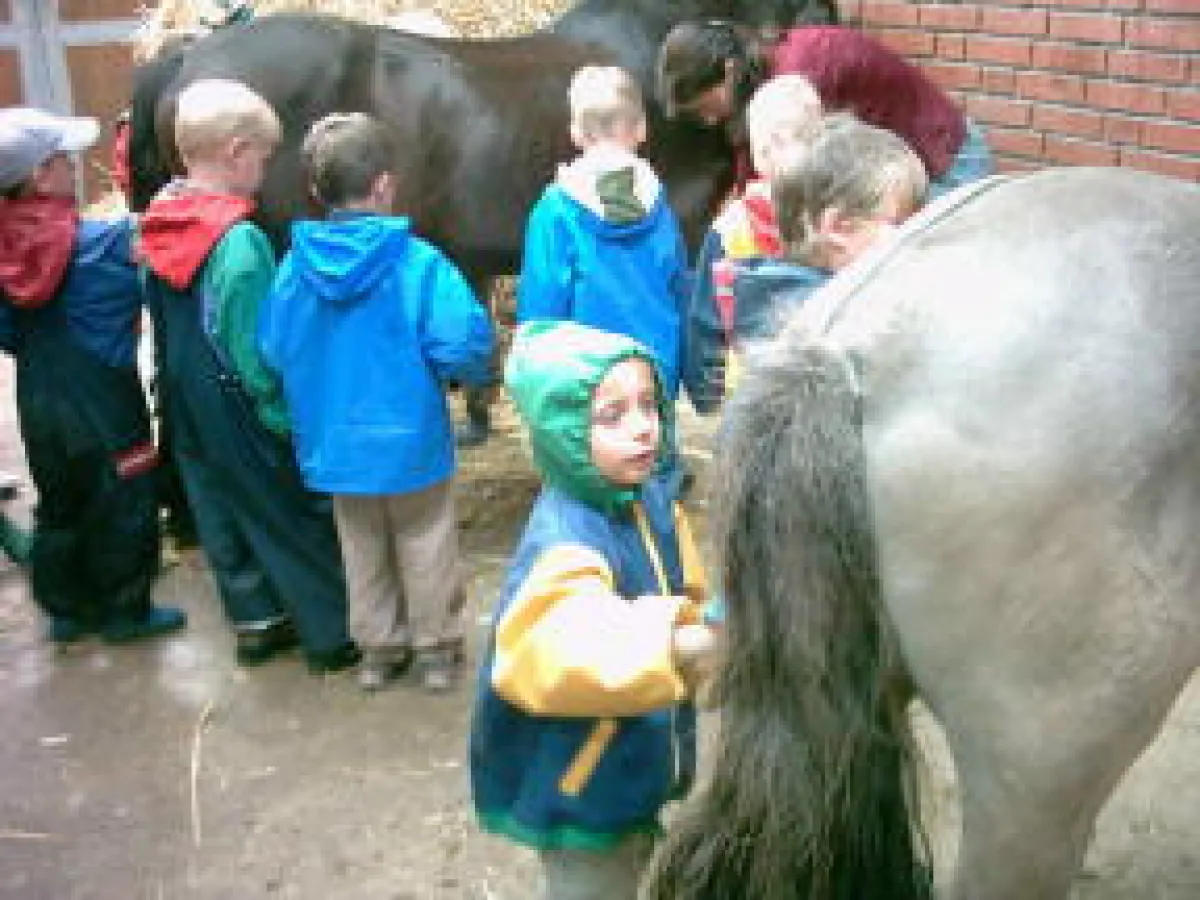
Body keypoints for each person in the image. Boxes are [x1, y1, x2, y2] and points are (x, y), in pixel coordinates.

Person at [470, 320, 716, 900]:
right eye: (612, 416)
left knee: (633, 860)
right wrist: (689, 644)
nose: (642, 427)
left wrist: (706, 622)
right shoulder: (564, 539)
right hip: (580, 784)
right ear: (563, 432)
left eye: (649, 405)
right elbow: (564, 646)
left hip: (629, 757)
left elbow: (684, 584)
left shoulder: (648, 500)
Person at [259, 113, 494, 692]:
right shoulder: (418, 263)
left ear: (316, 191)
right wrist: (469, 375)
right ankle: (435, 649)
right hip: (410, 437)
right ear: (385, 186)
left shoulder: (293, 270)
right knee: (425, 535)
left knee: (360, 541)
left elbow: (272, 348)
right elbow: (462, 342)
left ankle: (378, 650)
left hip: (335, 442)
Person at [139, 79, 356, 671]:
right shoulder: (239, 241)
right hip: (235, 395)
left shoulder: (162, 214)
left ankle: (257, 623)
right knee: (285, 509)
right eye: (264, 154)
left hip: (185, 392)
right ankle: (330, 635)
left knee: (218, 508)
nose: (267, 168)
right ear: (237, 152)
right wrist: (279, 413)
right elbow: (254, 347)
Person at [0, 106, 184, 643]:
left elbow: (7, 332)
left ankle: (67, 610)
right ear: (40, 175)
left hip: (38, 395)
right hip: (103, 399)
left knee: (59, 500)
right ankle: (126, 611)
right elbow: (148, 278)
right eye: (63, 159)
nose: (73, 166)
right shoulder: (101, 242)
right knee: (125, 496)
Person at [516, 65, 691, 491]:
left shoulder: (556, 210)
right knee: (655, 476)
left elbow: (540, 310)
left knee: (590, 485)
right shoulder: (660, 207)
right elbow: (679, 290)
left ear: (576, 133)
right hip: (653, 380)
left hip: (589, 385)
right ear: (642, 129)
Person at [657, 20, 993, 198]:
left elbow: (801, 180)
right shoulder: (762, 74)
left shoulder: (801, 76)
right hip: (912, 164)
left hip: (945, 161)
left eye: (705, 106)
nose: (709, 119)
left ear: (728, 71)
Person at [681, 74, 823, 410]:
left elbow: (706, 321)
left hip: (749, 386)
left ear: (761, 151)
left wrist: (705, 396)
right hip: (817, 382)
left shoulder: (730, 227)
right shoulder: (837, 219)